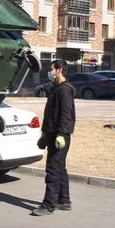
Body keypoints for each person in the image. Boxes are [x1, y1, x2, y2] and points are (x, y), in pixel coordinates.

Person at [31, 60, 76, 216]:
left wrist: (62, 135)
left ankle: (48, 205)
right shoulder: (55, 89)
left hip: (60, 136)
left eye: (51, 69)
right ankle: (64, 200)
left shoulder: (64, 90)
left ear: (59, 70)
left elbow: (65, 114)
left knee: (52, 170)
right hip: (52, 134)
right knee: (59, 168)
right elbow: (50, 114)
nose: (49, 72)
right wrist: (44, 134)